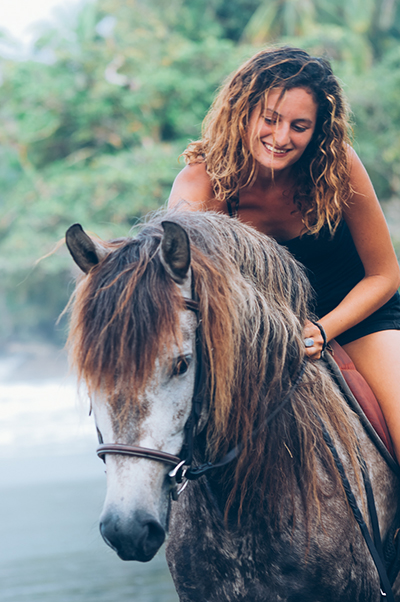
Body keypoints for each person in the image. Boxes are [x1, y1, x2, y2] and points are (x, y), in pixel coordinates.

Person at [168, 46, 400, 461]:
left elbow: (384, 275)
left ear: (318, 129)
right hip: (257, 334)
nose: (281, 137)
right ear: (244, 111)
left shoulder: (338, 166)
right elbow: (181, 290)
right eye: (270, 119)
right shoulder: (202, 183)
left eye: (299, 125)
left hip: (357, 318)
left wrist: (323, 329)